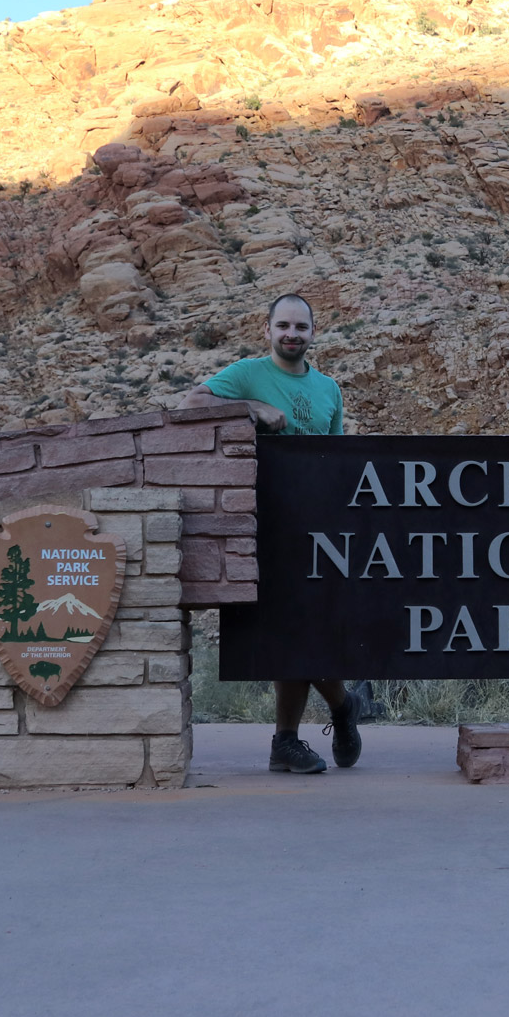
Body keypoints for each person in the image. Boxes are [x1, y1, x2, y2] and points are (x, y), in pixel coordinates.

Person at [180, 293, 358, 773]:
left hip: (315, 530)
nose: (292, 334)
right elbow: (192, 401)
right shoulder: (247, 374)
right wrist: (252, 407)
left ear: (313, 333)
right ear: (267, 330)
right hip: (257, 524)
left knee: (304, 629)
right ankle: (337, 711)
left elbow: (337, 462)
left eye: (301, 327)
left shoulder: (329, 390)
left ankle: (298, 734)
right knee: (285, 629)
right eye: (283, 326)